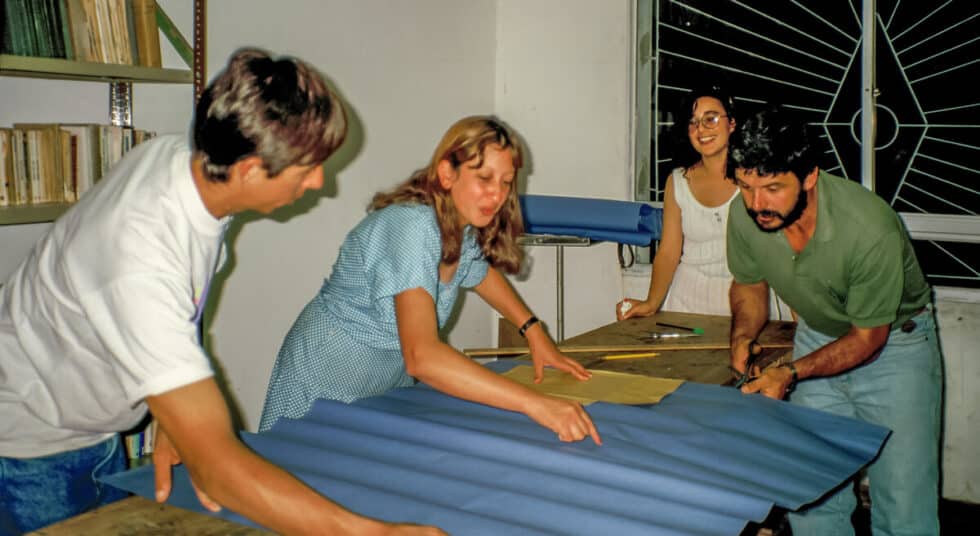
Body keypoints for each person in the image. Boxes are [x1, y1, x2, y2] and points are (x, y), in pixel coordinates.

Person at [0, 48, 443, 536]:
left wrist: (170, 409)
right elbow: (219, 471)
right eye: (307, 168)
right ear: (250, 170)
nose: (319, 182)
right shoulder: (138, 258)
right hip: (28, 450)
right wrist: (374, 533)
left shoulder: (185, 165)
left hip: (91, 429)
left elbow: (182, 297)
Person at [259, 116, 602, 448]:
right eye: (484, 178)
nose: (497, 195)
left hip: (383, 380)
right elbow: (422, 356)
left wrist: (533, 332)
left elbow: (480, 273)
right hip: (324, 379)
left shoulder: (458, 223)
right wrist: (535, 404)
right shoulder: (411, 227)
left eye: (506, 182)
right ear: (447, 174)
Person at [725, 106, 941, 535]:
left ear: (809, 176)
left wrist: (789, 371)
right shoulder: (744, 215)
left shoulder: (869, 226)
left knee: (902, 506)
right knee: (812, 496)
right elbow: (749, 283)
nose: (756, 205)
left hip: (895, 347)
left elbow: (867, 337)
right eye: (746, 186)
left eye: (771, 188)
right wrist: (743, 335)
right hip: (817, 337)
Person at [616, 85, 789, 321]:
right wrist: (651, 303)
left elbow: (782, 253)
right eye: (693, 122)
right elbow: (668, 251)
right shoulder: (678, 180)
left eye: (711, 119)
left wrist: (806, 328)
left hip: (750, 302)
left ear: (732, 124)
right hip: (687, 303)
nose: (701, 129)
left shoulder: (756, 179)